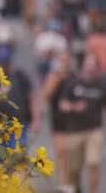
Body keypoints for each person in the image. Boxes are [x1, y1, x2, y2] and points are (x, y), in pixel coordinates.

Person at [60, 54, 105, 193]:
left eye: (93, 65)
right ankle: (77, 189)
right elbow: (63, 104)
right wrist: (75, 107)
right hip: (75, 131)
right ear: (83, 65)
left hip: (94, 130)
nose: (91, 68)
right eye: (88, 64)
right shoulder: (73, 83)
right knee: (74, 170)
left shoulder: (101, 84)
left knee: (94, 164)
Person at [42, 51, 73, 190]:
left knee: (72, 153)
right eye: (62, 60)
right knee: (61, 151)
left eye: (67, 60)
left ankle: (71, 182)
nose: (65, 63)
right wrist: (58, 78)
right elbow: (46, 95)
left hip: (74, 120)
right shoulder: (53, 76)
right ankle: (63, 183)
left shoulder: (74, 76)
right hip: (58, 119)